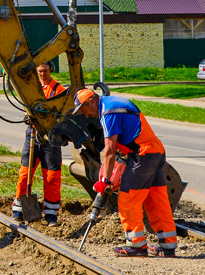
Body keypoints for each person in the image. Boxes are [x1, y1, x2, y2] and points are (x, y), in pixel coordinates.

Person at [75, 88, 178, 257]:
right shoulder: (112, 103)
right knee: (156, 198)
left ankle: (136, 245)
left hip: (142, 154)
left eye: (84, 110)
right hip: (155, 152)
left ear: (92, 101)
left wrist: (104, 181)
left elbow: (109, 150)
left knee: (128, 198)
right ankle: (168, 246)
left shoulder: (108, 112)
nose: (86, 115)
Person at [12, 63, 65, 225]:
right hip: (32, 135)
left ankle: (51, 215)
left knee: (52, 176)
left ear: (51, 70)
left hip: (51, 137)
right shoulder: (30, 88)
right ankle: (19, 209)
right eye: (40, 71)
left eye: (45, 71)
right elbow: (24, 108)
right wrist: (26, 115)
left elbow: (63, 112)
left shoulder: (59, 90)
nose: (42, 74)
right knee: (25, 173)